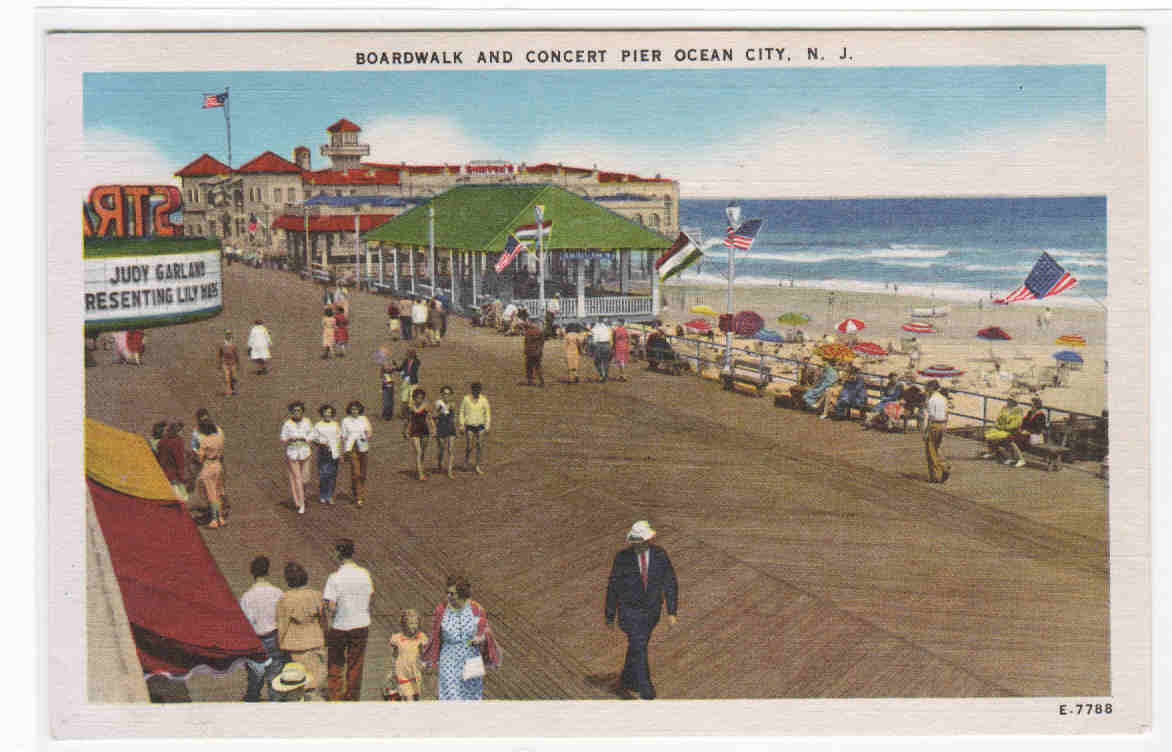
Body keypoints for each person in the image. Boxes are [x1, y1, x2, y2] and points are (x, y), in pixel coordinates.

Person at [604, 520, 678, 701]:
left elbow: (670, 582)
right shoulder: (622, 558)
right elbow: (613, 586)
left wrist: (671, 611)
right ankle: (646, 688)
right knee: (639, 645)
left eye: (640, 541)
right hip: (629, 612)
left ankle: (627, 677)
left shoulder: (660, 555)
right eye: (635, 541)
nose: (637, 544)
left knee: (638, 645)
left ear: (648, 540)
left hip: (651, 613)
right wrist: (610, 614)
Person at [421, 574, 501, 701]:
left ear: (462, 594)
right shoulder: (441, 609)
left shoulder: (476, 609)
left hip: (472, 656)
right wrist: (429, 658)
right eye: (447, 593)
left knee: (472, 696)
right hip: (449, 658)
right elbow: (435, 635)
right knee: (450, 696)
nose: (448, 596)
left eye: (452, 594)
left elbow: (486, 631)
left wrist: (480, 638)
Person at [323, 539, 374, 701]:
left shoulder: (334, 577)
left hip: (340, 625)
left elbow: (331, 607)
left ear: (338, 553)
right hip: (361, 624)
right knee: (355, 665)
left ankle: (335, 696)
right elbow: (369, 597)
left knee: (335, 664)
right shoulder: (364, 574)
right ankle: (352, 698)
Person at [275, 562, 326, 700]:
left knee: (299, 684)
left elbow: (282, 625)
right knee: (316, 681)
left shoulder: (285, 599)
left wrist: (279, 644)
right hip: (316, 642)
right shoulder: (316, 595)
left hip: (296, 646)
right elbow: (323, 620)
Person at [239, 555, 286, 702]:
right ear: (268, 571)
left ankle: (253, 701)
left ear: (252, 573)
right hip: (274, 638)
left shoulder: (247, 597)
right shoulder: (278, 593)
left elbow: (246, 623)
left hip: (256, 640)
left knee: (254, 679)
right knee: (275, 678)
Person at [385, 609, 428, 701]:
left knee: (416, 697)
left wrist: (424, 663)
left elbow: (425, 653)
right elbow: (393, 656)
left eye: (416, 623)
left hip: (415, 671)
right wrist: (391, 672)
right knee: (409, 698)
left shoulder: (421, 637)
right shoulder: (397, 638)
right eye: (411, 623)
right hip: (402, 672)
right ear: (404, 624)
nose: (414, 626)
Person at [195, 411, 227, 528]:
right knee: (218, 491)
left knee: (211, 493)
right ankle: (221, 518)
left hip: (208, 465)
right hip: (218, 463)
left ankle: (214, 519)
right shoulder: (220, 432)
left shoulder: (204, 440)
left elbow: (200, 457)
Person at [280, 402, 313, 515]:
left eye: (299, 410)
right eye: (294, 411)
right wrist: (290, 439)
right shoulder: (287, 424)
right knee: (297, 478)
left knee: (305, 478)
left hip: (305, 452)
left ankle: (302, 495)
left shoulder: (307, 422)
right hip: (292, 453)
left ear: (302, 411)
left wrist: (305, 438)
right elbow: (283, 437)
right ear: (291, 412)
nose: (297, 413)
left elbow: (312, 434)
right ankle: (301, 503)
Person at [341, 401, 372, 506]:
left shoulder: (364, 419)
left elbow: (369, 431)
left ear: (359, 410)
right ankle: (359, 497)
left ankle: (356, 489)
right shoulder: (345, 421)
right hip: (351, 448)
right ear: (349, 410)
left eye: (356, 409)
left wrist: (366, 436)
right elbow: (343, 436)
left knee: (362, 473)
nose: (354, 411)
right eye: (352, 409)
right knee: (356, 472)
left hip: (363, 447)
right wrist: (344, 451)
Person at [310, 404, 342, 505]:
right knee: (323, 474)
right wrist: (321, 444)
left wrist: (339, 451)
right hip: (323, 453)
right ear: (322, 413)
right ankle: (322, 494)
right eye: (325, 412)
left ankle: (330, 495)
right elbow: (313, 438)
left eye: (329, 412)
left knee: (332, 475)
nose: (327, 414)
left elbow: (339, 439)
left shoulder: (336, 425)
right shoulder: (318, 425)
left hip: (334, 453)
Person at [458, 382, 490, 475]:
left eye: (478, 390)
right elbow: (461, 412)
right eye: (475, 390)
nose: (476, 392)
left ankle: (477, 465)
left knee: (479, 445)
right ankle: (466, 461)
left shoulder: (484, 400)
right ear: (472, 390)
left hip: (480, 425)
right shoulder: (466, 399)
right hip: (470, 425)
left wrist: (487, 426)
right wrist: (461, 424)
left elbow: (487, 413)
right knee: (469, 446)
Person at [983, 397, 1025, 467]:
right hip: (1002, 429)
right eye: (1008, 400)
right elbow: (998, 418)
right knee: (989, 434)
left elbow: (1016, 423)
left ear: (1014, 402)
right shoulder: (1004, 408)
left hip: (1012, 430)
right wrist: (997, 425)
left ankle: (1020, 459)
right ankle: (993, 452)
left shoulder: (1018, 410)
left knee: (1007, 439)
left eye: (1010, 400)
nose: (1008, 401)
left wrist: (1003, 427)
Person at [923, 380, 952, 483]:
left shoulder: (931, 400)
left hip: (934, 425)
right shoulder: (943, 398)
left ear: (931, 388)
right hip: (942, 424)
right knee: (937, 448)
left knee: (931, 450)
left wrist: (926, 431)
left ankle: (936, 474)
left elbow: (930, 416)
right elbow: (947, 413)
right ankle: (943, 465)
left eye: (927, 387)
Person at [404, 387, 434, 481]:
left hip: (424, 430)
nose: (419, 400)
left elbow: (430, 418)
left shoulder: (426, 406)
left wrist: (434, 428)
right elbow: (407, 420)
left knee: (423, 451)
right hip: (414, 430)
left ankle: (420, 467)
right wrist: (405, 430)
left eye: (421, 398)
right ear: (414, 398)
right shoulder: (410, 408)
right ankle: (420, 474)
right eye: (417, 398)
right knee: (418, 451)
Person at [155, 421, 188, 502]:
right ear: (178, 431)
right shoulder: (178, 442)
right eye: (182, 431)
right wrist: (182, 475)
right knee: (181, 498)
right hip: (174, 474)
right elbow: (179, 459)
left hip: (163, 472)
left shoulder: (162, 441)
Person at [433, 386, 457, 479]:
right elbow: (434, 416)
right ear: (442, 395)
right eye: (444, 394)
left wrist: (456, 427)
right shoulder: (439, 403)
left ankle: (450, 471)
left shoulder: (453, 404)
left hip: (450, 426)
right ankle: (440, 463)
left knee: (451, 449)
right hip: (441, 426)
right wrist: (435, 429)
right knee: (441, 448)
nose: (446, 396)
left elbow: (453, 417)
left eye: (448, 394)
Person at [520, 311, 546, 387]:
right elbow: (542, 342)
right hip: (538, 351)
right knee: (538, 366)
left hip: (530, 351)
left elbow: (526, 342)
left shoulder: (528, 332)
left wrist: (525, 350)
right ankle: (541, 381)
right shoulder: (540, 331)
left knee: (529, 366)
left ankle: (530, 380)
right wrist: (540, 350)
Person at [397, 349, 421, 420]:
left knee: (411, 399)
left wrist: (405, 374)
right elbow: (400, 368)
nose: (408, 355)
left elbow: (414, 371)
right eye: (408, 354)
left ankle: (410, 414)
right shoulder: (406, 361)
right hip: (406, 381)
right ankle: (404, 414)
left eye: (409, 354)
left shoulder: (417, 361)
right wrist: (395, 367)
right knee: (404, 398)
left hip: (413, 382)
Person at [218, 330, 240, 396]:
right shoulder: (222, 345)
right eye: (227, 334)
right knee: (227, 378)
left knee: (233, 377)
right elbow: (220, 355)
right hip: (225, 363)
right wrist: (219, 363)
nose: (228, 335)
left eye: (229, 334)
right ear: (225, 335)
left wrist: (238, 363)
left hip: (233, 363)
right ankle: (228, 391)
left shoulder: (234, 344)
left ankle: (232, 389)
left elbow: (236, 354)